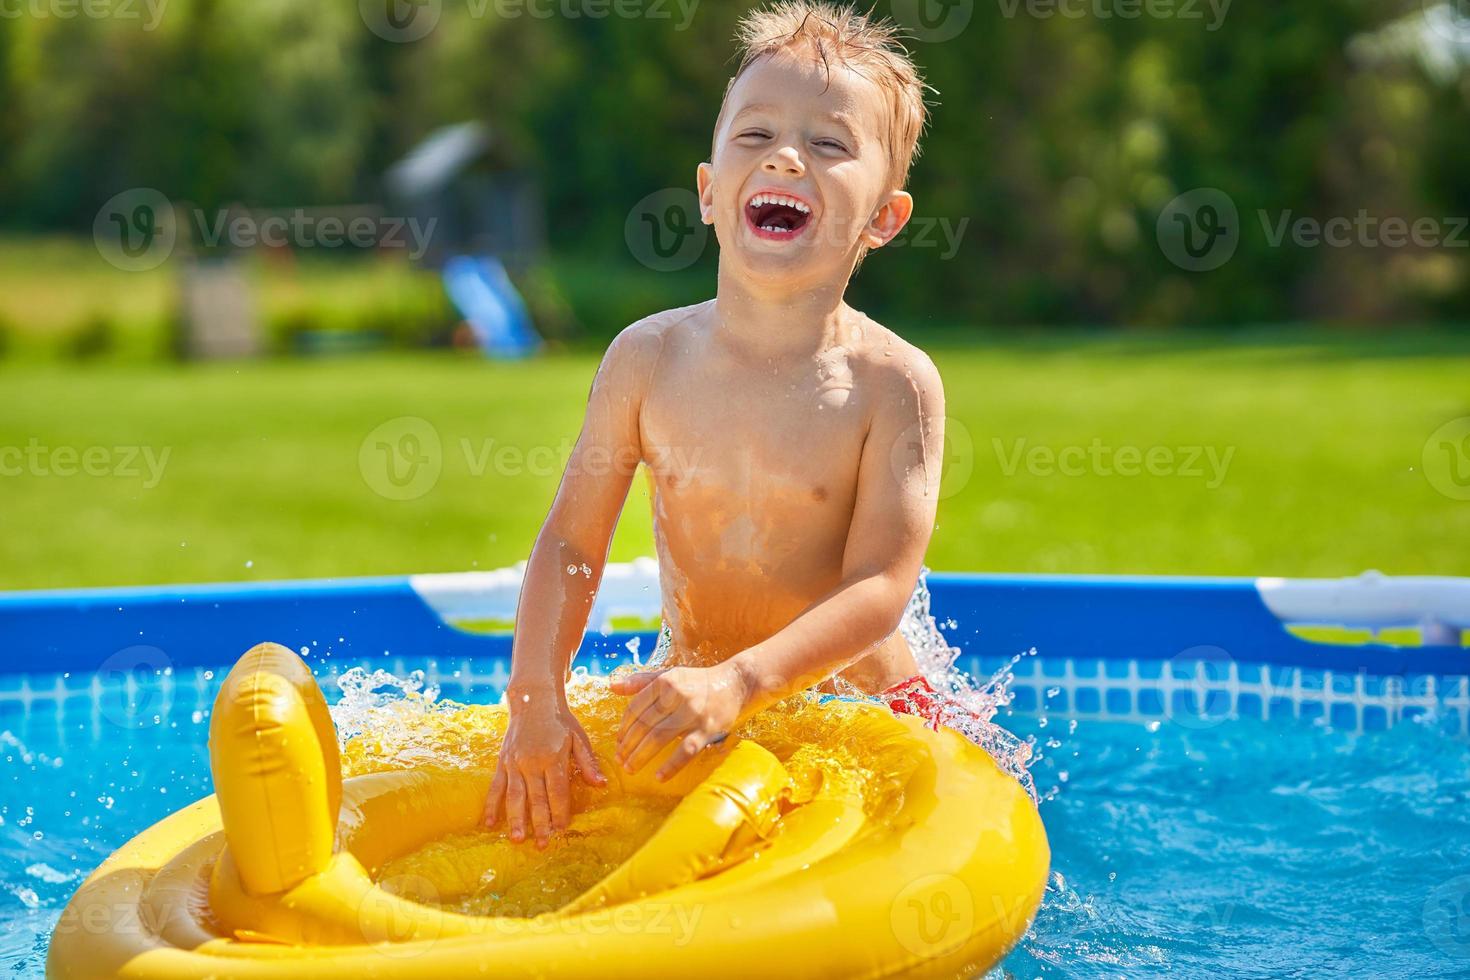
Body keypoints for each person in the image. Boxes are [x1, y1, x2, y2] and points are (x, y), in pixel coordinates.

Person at [484, 1, 946, 848]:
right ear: (708, 192)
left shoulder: (892, 384)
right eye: (755, 135)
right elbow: (572, 545)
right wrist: (537, 700)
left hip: (856, 705)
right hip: (702, 682)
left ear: (884, 217)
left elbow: (880, 588)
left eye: (831, 144)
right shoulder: (648, 360)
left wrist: (745, 682)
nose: (785, 155)